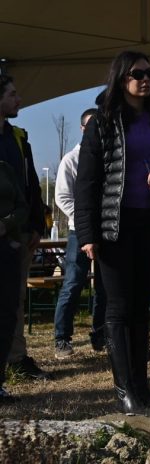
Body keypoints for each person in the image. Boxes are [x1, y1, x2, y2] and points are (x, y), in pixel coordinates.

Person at [75, 51, 150, 415]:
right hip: (113, 226)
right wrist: (87, 234)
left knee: (143, 309)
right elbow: (87, 183)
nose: (146, 80)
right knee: (119, 309)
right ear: (121, 78)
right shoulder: (103, 122)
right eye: (138, 74)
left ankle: (143, 389)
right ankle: (124, 390)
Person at [0, 74, 50, 381]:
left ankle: (16, 358)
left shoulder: (18, 137)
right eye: (12, 94)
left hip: (18, 234)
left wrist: (36, 225)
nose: (19, 99)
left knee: (14, 297)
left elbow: (30, 184)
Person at [53, 108, 107, 359]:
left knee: (105, 286)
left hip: (106, 230)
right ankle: (62, 338)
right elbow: (62, 197)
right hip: (79, 231)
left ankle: (100, 335)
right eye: (92, 125)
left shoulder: (106, 156)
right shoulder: (71, 159)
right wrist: (84, 219)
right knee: (73, 284)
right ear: (83, 128)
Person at [0, 159, 29, 402]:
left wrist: (6, 224)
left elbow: (23, 206)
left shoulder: (5, 168)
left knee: (7, 313)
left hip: (6, 249)